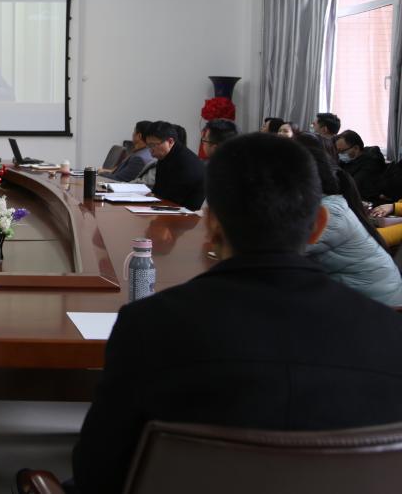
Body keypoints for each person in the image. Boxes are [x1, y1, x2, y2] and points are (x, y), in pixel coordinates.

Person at [69, 133, 402, 494]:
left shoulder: (149, 325)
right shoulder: (389, 331)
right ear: (317, 225)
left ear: (211, 223)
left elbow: (96, 472)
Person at [291, 135, 402, 306]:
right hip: (359, 297)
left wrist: (393, 207)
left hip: (379, 308)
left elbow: (282, 252)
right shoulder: (323, 204)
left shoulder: (330, 212)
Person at [143, 121, 205, 210]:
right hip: (165, 208)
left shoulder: (186, 163)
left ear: (170, 141)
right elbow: (157, 191)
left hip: (183, 214)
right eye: (148, 146)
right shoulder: (166, 156)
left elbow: (173, 200)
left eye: (153, 145)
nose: (151, 150)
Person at [335, 130, 386, 202]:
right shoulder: (349, 161)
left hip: (367, 202)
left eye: (342, 151)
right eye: (337, 151)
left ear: (356, 148)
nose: (339, 154)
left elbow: (352, 187)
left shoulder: (371, 163)